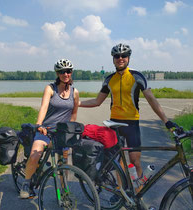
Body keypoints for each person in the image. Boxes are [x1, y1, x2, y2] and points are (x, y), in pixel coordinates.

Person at [79, 43, 175, 183]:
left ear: (128, 58)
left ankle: (139, 190)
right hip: (114, 124)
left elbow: (151, 99)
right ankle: (121, 191)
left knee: (135, 161)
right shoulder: (109, 80)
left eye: (124, 55)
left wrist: (166, 120)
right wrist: (77, 103)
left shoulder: (137, 76)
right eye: (117, 56)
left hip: (131, 124)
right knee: (118, 162)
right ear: (113, 59)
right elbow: (97, 101)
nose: (120, 58)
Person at [20, 58, 79, 198]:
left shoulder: (75, 92)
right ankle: (26, 183)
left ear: (71, 73)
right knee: (36, 153)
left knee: (63, 162)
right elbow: (44, 107)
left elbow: (74, 114)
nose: (66, 74)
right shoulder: (50, 88)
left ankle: (64, 189)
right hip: (46, 130)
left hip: (62, 132)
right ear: (58, 73)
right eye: (62, 71)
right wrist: (39, 125)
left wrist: (70, 130)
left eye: (68, 71)